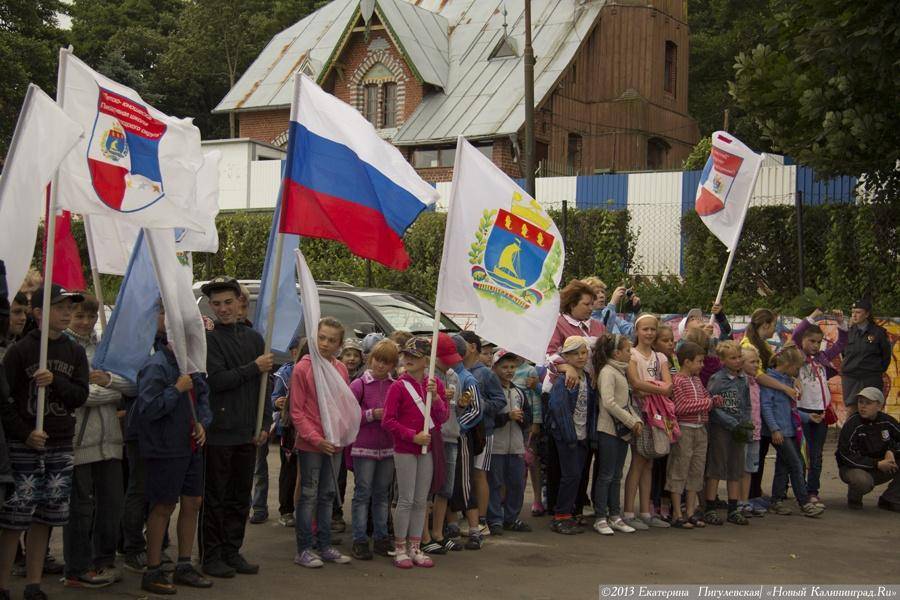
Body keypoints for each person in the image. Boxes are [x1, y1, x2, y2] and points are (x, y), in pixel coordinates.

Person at [0, 285, 89, 600]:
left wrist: (57, 380)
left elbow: (80, 395)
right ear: (38, 313)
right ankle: (3, 584)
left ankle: (33, 584)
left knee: (46, 516)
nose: (67, 312)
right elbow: (4, 403)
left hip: (60, 443)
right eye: (59, 306)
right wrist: (26, 433)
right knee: (15, 517)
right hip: (25, 445)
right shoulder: (21, 351)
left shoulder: (75, 351)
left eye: (70, 307)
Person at [200, 276, 272, 578]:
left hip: (247, 431)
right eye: (216, 304)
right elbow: (216, 380)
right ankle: (211, 555)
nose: (223, 309)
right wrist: (252, 367)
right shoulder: (210, 339)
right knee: (215, 497)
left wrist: (266, 422)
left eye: (228, 302)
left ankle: (232, 550)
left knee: (240, 496)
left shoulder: (254, 338)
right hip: (219, 433)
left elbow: (264, 386)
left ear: (240, 302)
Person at [136, 316, 214, 594]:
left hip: (191, 446)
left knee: (192, 502)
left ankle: (184, 565)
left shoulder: (192, 364)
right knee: (163, 506)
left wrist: (203, 422)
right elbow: (147, 409)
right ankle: (153, 568)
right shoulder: (156, 366)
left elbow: (203, 398)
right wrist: (175, 390)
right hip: (166, 448)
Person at [62, 294, 135, 588]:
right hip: (78, 441)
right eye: (78, 316)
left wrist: (107, 382)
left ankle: (103, 560)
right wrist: (108, 390)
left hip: (111, 442)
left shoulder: (105, 346)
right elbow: (75, 394)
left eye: (89, 317)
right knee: (80, 509)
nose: (84, 322)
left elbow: (131, 384)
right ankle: (76, 567)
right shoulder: (63, 348)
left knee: (111, 504)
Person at [291, 317, 352, 568]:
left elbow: (344, 406)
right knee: (308, 495)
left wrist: (339, 436)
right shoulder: (303, 368)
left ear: (339, 345)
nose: (325, 344)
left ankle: (325, 545)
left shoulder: (341, 369)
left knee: (327, 495)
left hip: (334, 443)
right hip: (311, 445)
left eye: (332, 340)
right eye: (322, 337)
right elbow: (297, 412)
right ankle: (304, 549)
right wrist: (317, 439)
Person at [382, 337, 448, 569]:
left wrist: (437, 398)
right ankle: (400, 548)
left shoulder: (436, 385)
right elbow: (388, 421)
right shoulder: (398, 386)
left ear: (426, 361)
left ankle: (415, 547)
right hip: (405, 449)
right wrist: (412, 436)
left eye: (414, 356)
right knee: (406, 499)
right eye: (406, 355)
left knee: (422, 500)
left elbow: (443, 418)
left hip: (427, 449)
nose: (408, 359)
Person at [760, 346, 825, 518]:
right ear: (789, 365)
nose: (797, 372)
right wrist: (774, 429)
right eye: (797, 368)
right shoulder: (771, 382)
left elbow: (791, 410)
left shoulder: (787, 381)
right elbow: (766, 408)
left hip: (788, 431)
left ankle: (776, 500)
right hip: (780, 432)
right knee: (796, 464)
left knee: (783, 466)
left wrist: (808, 417)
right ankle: (804, 502)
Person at [348, 339, 397, 560]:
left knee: (381, 495)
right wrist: (370, 415)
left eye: (386, 362)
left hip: (387, 448)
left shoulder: (394, 385)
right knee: (362, 493)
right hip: (363, 447)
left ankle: (380, 537)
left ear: (393, 365)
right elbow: (347, 414)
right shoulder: (359, 384)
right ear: (371, 359)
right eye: (377, 360)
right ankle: (359, 539)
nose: (380, 365)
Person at [793, 309, 847, 508]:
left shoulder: (824, 357)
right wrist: (813, 316)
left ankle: (812, 490)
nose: (815, 346)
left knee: (816, 454)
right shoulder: (797, 356)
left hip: (822, 412)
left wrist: (841, 324)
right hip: (803, 412)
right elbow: (797, 334)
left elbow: (842, 343)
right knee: (801, 455)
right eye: (812, 341)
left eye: (818, 342)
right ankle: (799, 490)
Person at [623, 314, 672, 530]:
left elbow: (669, 386)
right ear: (637, 331)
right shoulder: (632, 355)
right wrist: (656, 386)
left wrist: (648, 386)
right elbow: (634, 383)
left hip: (657, 414)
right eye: (645, 329)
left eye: (653, 329)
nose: (649, 333)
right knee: (638, 461)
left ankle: (645, 511)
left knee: (649, 462)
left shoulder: (660, 357)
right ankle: (628, 512)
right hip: (639, 413)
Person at [454, 331, 505, 535]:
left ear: (472, 347)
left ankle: (481, 520)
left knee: (478, 474)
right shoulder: (457, 371)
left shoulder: (485, 373)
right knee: (464, 475)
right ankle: (466, 515)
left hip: (483, 432)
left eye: (462, 343)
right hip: (464, 431)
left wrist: (479, 404)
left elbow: (500, 401)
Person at [592, 334, 642, 535]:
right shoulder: (608, 372)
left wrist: (637, 420)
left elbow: (626, 402)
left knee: (617, 475)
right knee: (606, 475)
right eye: (628, 350)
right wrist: (630, 421)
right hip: (609, 431)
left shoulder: (620, 372)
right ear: (616, 353)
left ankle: (615, 515)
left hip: (622, 432)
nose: (631, 353)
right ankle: (600, 517)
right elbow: (609, 402)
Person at [667, 341, 720, 529]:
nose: (702, 365)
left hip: (700, 429)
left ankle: (690, 511)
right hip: (685, 429)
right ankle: (677, 513)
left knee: (696, 471)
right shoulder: (677, 381)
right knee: (679, 469)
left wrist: (712, 401)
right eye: (699, 361)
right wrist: (708, 404)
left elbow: (707, 398)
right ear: (687, 362)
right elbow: (680, 407)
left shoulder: (697, 380)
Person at [547, 336, 596, 535]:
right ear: (566, 356)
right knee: (570, 475)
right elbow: (558, 408)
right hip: (569, 436)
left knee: (577, 475)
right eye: (575, 353)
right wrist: (569, 435)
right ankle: (561, 515)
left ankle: (570, 512)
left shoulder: (585, 376)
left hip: (582, 433)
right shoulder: (565, 378)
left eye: (583, 352)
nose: (581, 357)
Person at [704, 340, 754, 526]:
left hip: (739, 429)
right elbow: (712, 406)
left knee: (736, 468)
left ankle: (734, 509)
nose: (738, 361)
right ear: (723, 360)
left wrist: (746, 423)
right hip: (721, 429)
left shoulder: (744, 380)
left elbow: (747, 404)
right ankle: (710, 508)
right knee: (716, 467)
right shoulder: (717, 379)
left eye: (739, 356)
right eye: (733, 358)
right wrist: (732, 423)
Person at [486, 350, 532, 534]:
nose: (509, 370)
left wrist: (522, 419)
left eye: (512, 367)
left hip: (516, 446)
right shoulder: (491, 392)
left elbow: (528, 416)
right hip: (497, 445)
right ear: (495, 368)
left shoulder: (519, 392)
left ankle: (511, 517)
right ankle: (495, 519)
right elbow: (489, 419)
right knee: (495, 483)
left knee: (517, 484)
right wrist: (506, 417)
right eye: (504, 367)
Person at [835, 387, 900, 511]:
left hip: (882, 465)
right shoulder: (852, 424)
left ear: (879, 405)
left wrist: (892, 451)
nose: (863, 406)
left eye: (868, 403)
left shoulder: (887, 421)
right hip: (855, 469)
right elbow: (845, 455)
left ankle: (891, 499)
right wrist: (877, 464)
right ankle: (854, 496)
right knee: (862, 481)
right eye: (860, 402)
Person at [270, 336, 304, 528]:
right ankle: (286, 510)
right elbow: (273, 399)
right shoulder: (285, 373)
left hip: (308, 430)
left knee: (306, 473)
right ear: (293, 352)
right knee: (289, 471)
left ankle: (304, 511)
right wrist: (278, 402)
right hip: (289, 429)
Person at [841, 299, 892, 415]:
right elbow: (844, 353)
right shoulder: (848, 332)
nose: (854, 315)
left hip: (870, 377)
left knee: (872, 411)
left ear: (867, 314)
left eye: (858, 312)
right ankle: (851, 433)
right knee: (851, 410)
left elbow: (886, 356)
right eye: (853, 312)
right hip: (851, 378)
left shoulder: (878, 333)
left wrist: (876, 371)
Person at [739, 346, 766, 517]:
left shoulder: (756, 382)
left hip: (755, 432)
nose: (756, 365)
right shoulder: (740, 382)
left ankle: (745, 500)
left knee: (749, 468)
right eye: (752, 362)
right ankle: (738, 502)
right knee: (740, 468)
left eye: (757, 361)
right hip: (742, 432)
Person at [547, 280, 605, 356]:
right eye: (586, 304)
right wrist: (566, 367)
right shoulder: (557, 325)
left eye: (592, 304)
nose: (591, 308)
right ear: (572, 305)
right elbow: (550, 354)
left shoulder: (599, 326)